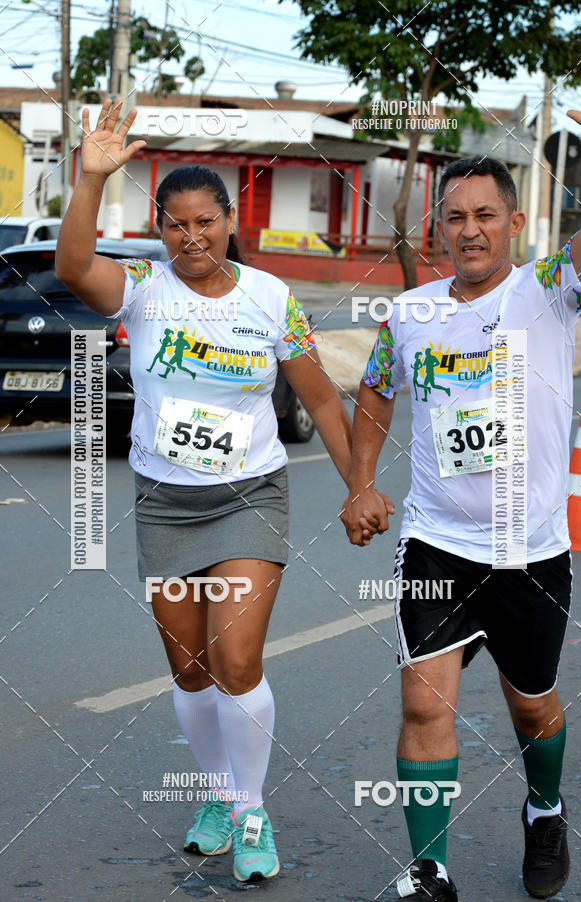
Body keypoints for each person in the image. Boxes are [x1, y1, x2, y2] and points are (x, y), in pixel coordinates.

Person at [56, 98, 388, 884]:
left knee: (237, 660)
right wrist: (91, 179)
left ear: (230, 220)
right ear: (160, 228)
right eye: (175, 223)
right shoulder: (142, 288)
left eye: (205, 221)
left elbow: (319, 399)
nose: (191, 237)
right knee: (192, 669)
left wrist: (360, 488)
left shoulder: (272, 299)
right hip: (166, 503)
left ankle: (250, 809)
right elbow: (73, 270)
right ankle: (216, 793)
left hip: (249, 498)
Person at [341, 74, 581, 902]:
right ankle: (431, 872)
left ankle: (546, 808)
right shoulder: (411, 315)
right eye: (455, 216)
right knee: (424, 708)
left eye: (486, 214)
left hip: (533, 553)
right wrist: (358, 482)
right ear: (438, 226)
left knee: (532, 707)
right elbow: (378, 390)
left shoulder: (549, 290)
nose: (470, 230)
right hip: (437, 544)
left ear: (516, 224)